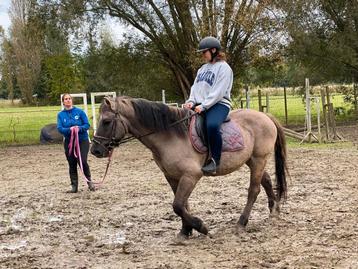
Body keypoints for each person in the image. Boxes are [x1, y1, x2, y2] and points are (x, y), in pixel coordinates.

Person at [184, 36, 233, 174]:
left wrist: (204, 106)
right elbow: (196, 88)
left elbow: (218, 91)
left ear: (213, 50)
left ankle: (215, 161)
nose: (202, 54)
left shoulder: (224, 68)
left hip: (219, 104)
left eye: (204, 51)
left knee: (211, 125)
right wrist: (191, 101)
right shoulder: (202, 69)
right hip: (201, 104)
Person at [57, 93, 95, 193]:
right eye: (66, 99)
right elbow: (60, 128)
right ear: (63, 101)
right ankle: (74, 186)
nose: (68, 100)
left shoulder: (80, 112)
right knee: (72, 163)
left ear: (72, 100)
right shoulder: (60, 115)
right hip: (69, 142)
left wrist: (79, 128)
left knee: (82, 160)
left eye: (69, 98)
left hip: (82, 140)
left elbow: (87, 124)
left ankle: (89, 181)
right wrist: (70, 130)